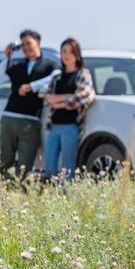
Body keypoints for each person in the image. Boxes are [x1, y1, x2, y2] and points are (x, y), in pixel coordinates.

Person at [0, 29, 59, 180]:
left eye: (29, 43)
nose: (26, 48)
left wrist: (31, 86)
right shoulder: (18, 66)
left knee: (25, 163)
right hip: (9, 117)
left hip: (31, 120)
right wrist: (7, 57)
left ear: (38, 43)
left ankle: (17, 190)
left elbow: (55, 77)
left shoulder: (49, 64)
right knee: (5, 160)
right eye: (23, 45)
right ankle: (5, 191)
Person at [43, 38, 95, 180]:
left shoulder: (82, 74)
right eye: (64, 51)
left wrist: (60, 101)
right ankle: (53, 194)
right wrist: (67, 98)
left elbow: (85, 96)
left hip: (70, 126)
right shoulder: (57, 76)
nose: (67, 55)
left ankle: (67, 195)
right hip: (53, 126)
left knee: (68, 168)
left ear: (77, 54)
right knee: (50, 167)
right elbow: (47, 98)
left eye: (71, 52)